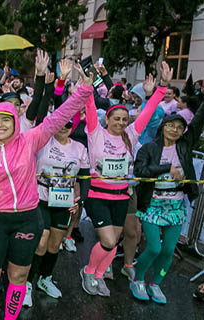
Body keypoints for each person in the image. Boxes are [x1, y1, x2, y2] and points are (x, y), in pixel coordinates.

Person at [0, 59, 93, 320]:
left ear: (16, 122)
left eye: (7, 120)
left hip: (27, 219)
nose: (0, 125)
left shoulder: (29, 141)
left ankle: (10, 317)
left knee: (18, 275)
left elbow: (59, 116)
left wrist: (83, 89)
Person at [80, 63, 170, 297]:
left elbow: (148, 112)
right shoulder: (95, 133)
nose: (121, 123)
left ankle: (100, 276)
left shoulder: (130, 135)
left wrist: (160, 89)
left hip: (121, 196)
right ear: (107, 119)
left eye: (124, 119)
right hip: (97, 196)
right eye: (116, 119)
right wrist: (87, 87)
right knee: (108, 240)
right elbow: (89, 106)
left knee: (116, 239)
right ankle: (89, 271)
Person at [130, 104, 204, 303]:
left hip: (176, 206)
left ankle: (155, 283)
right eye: (171, 125)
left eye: (179, 127)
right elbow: (140, 172)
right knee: (154, 247)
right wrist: (166, 167)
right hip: (153, 205)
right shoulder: (149, 148)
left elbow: (197, 122)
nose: (175, 130)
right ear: (163, 127)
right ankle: (137, 278)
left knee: (169, 250)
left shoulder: (184, 146)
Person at [23, 119, 88, 306]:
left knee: (54, 245)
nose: (63, 128)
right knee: (41, 243)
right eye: (59, 123)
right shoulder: (43, 141)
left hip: (63, 201)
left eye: (68, 125)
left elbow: (84, 177)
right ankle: (27, 283)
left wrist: (80, 199)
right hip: (40, 198)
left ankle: (45, 278)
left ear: (72, 127)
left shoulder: (79, 148)